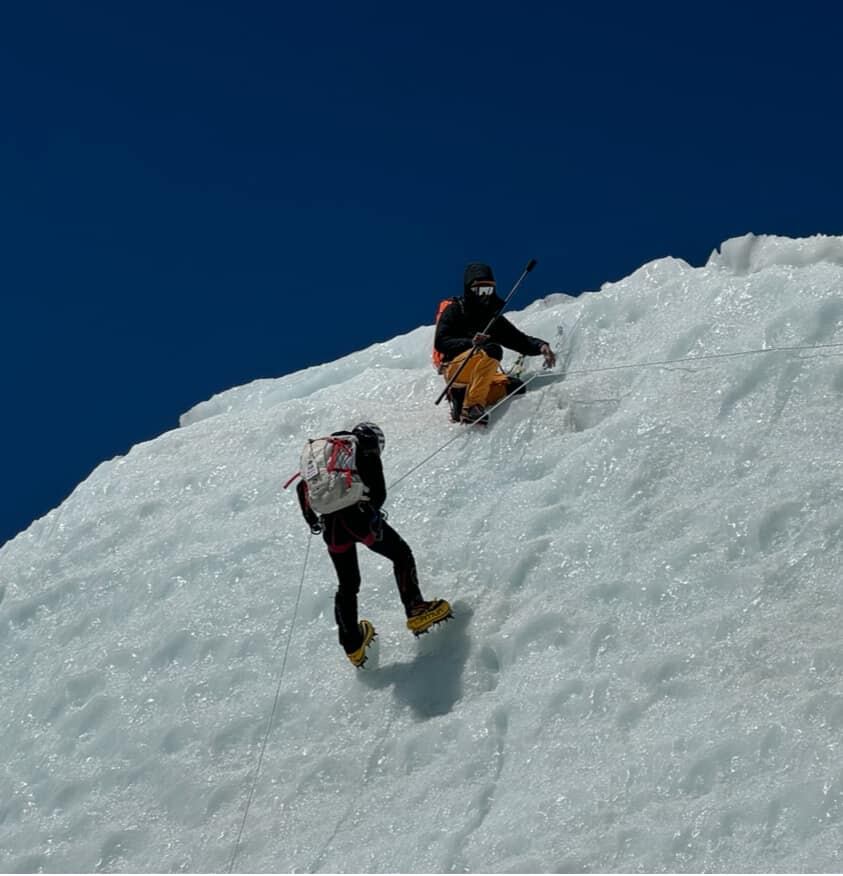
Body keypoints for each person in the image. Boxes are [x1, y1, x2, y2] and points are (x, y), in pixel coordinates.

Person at [296, 421, 450, 667]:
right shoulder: (363, 445)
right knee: (401, 554)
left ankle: (352, 644)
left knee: (348, 584)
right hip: (358, 517)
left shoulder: (324, 455)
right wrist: (372, 512)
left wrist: (313, 521)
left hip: (332, 527)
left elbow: (301, 487)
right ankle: (416, 609)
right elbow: (378, 490)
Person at [434, 262, 557, 424]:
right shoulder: (456, 310)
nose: (484, 295)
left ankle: (462, 402)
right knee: (493, 350)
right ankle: (471, 407)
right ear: (468, 289)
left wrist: (541, 346)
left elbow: (518, 340)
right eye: (479, 290)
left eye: (488, 289)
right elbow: (441, 341)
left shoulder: (491, 318)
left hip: (475, 375)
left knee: (515, 386)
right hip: (456, 369)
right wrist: (470, 343)